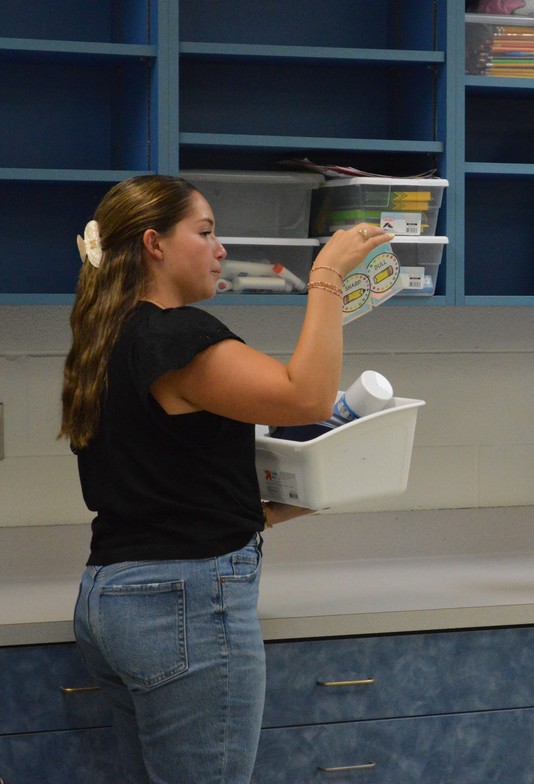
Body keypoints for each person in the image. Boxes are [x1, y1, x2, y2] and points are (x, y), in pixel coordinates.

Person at [59, 174, 392, 783]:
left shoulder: (107, 340)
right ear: (154, 244)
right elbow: (309, 395)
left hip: (110, 599)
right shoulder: (178, 335)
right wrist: (327, 275)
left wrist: (256, 511)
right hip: (183, 603)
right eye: (207, 232)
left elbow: (154, 481)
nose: (221, 250)